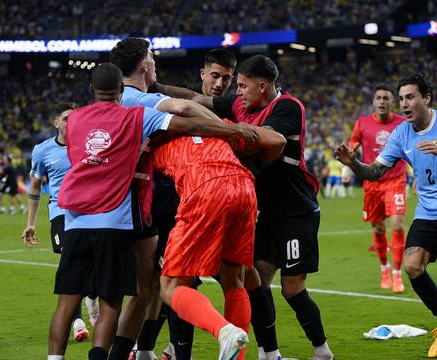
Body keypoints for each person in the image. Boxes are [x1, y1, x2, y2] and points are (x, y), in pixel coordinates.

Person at [46, 63, 257, 360]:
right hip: (120, 217)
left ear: (91, 91)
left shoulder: (75, 120)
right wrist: (233, 129)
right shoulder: (137, 115)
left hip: (77, 218)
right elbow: (188, 120)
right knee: (115, 301)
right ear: (122, 90)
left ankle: (56, 358)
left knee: (70, 302)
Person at [154, 55, 335, 360]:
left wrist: (231, 134)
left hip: (294, 209)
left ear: (262, 86)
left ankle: (321, 351)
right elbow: (196, 99)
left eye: (240, 85)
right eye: (226, 81)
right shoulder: (238, 107)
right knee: (251, 279)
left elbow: (272, 140)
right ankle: (267, 353)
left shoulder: (286, 107)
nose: (234, 91)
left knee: (290, 289)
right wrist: (157, 87)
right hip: (253, 203)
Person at [335, 73, 437, 360]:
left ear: (426, 98)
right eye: (401, 98)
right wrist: (353, 163)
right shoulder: (401, 133)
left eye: (410, 97)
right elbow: (376, 171)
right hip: (428, 211)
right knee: (412, 266)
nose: (404, 103)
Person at [108, 38, 236, 360]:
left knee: (153, 286)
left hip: (126, 203)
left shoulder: (117, 100)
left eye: (226, 78)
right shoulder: (142, 100)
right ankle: (181, 351)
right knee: (174, 283)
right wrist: (234, 130)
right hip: (152, 202)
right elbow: (183, 109)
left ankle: (144, 351)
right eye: (151, 57)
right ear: (144, 65)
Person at [20, 102, 97, 342]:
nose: (70, 122)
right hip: (61, 214)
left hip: (90, 213)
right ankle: (77, 321)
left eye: (74, 118)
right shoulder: (42, 151)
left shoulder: (90, 145)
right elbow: (34, 186)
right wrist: (30, 222)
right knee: (71, 263)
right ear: (56, 123)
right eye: (65, 118)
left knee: (91, 265)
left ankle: (91, 297)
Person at [342, 85, 408, 293]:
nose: (381, 101)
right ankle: (384, 268)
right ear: (373, 102)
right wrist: (346, 171)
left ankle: (397, 274)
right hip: (372, 183)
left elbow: (411, 149)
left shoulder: (403, 124)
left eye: (386, 98)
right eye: (378, 98)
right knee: (378, 228)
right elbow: (350, 149)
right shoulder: (362, 123)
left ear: (392, 102)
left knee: (397, 224)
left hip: (396, 180)